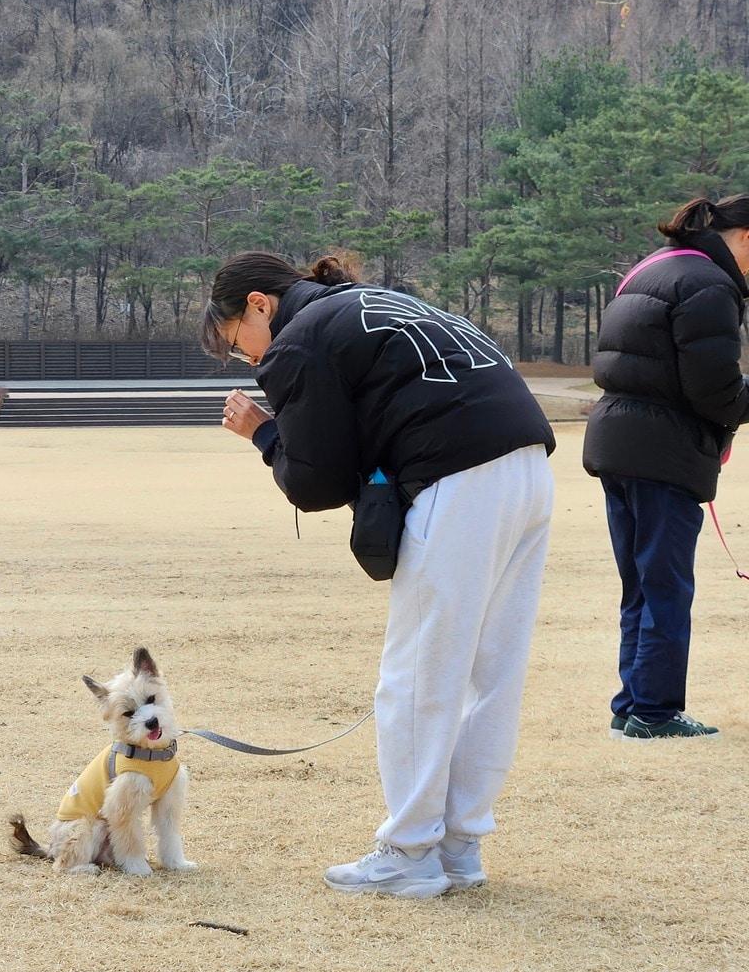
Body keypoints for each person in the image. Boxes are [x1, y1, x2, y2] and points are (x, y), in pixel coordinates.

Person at [202, 251, 555, 899]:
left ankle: (410, 854)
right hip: (529, 464)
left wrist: (264, 434)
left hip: (458, 473)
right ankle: (458, 845)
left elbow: (316, 480)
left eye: (237, 342)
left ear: (258, 304)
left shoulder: (297, 341)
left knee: (418, 674)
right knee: (492, 671)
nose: (249, 360)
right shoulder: (369, 303)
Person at [582, 195, 749, 742]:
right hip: (663, 453)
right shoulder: (707, 284)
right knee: (666, 587)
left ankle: (633, 704)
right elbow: (714, 391)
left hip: (616, 444)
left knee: (641, 586)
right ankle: (655, 711)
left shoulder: (650, 267)